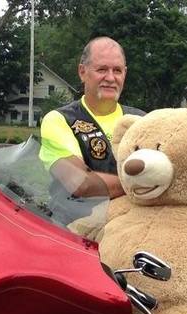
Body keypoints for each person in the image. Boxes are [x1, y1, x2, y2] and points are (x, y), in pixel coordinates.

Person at [39, 36, 145, 225]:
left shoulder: (142, 121)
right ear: (82, 72)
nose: (110, 78)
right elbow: (82, 184)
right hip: (72, 232)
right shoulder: (59, 120)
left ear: (125, 73)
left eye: (117, 70)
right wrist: (146, 182)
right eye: (102, 69)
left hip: (129, 230)